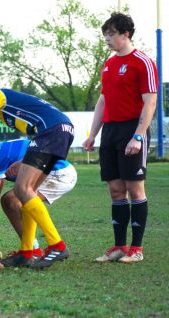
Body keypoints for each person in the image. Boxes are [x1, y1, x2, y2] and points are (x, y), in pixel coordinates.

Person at [0, 81, 74, 269]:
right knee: (27, 193)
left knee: (22, 189)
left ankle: (56, 245)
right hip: (58, 129)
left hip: (51, 130)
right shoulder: (5, 108)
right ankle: (27, 251)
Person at [83, 12, 158, 263]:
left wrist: (137, 136)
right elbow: (103, 101)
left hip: (132, 130)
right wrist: (92, 134)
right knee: (116, 189)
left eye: (112, 33)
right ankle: (119, 247)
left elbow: (150, 102)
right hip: (111, 131)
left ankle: (136, 249)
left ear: (126, 34)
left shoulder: (143, 62)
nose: (107, 38)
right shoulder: (109, 64)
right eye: (105, 34)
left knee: (135, 189)